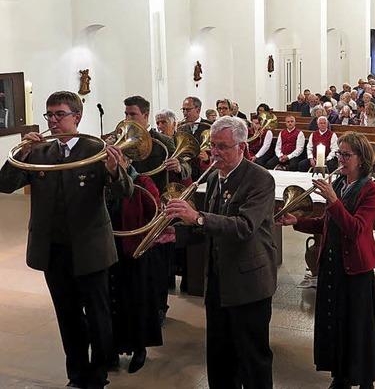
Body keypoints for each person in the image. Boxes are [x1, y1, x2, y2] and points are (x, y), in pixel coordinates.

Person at [0, 91, 133, 388]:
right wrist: (19, 155)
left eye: (60, 114)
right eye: (49, 115)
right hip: (53, 249)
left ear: (77, 117)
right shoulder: (39, 152)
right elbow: (5, 185)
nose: (53, 121)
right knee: (67, 315)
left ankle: (98, 375)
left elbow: (125, 192)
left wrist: (114, 171)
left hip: (90, 250)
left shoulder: (95, 149)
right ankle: (76, 374)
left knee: (98, 316)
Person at [165, 116, 277, 388]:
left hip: (249, 282)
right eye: (213, 145)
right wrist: (172, 229)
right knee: (219, 354)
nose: (215, 153)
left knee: (252, 358)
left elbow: (244, 227)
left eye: (223, 147)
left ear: (242, 147)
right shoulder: (215, 177)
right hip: (218, 280)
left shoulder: (260, 179)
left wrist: (198, 218)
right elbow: (209, 227)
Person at [278, 132, 375, 388]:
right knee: (335, 321)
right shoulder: (339, 184)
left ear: (361, 159)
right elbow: (328, 223)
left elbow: (356, 229)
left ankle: (363, 377)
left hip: (355, 268)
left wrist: (334, 201)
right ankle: (340, 374)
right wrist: (298, 221)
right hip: (332, 264)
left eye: (347, 155)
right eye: (339, 154)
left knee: (357, 325)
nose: (341, 159)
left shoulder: (371, 190)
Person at [124, 96, 191, 325]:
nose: (128, 119)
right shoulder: (121, 139)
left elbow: (186, 165)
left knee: (159, 262)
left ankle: (160, 306)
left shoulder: (162, 141)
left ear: (145, 115)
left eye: (132, 114)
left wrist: (179, 165)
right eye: (126, 114)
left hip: (156, 206)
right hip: (130, 207)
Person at [106, 160, 163, 374]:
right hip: (107, 249)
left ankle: (139, 348)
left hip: (133, 250)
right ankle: (110, 349)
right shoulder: (102, 181)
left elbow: (155, 210)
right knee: (110, 300)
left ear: (127, 160)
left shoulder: (142, 181)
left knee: (137, 300)